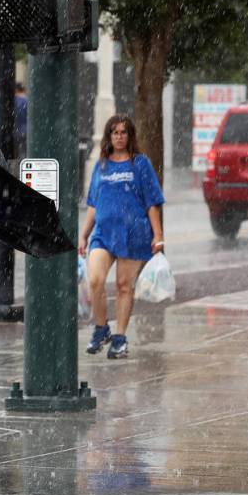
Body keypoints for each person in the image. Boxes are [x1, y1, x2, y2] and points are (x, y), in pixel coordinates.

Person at [78, 115, 165, 360]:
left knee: (124, 286)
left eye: (123, 132)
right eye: (114, 132)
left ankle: (120, 338)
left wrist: (157, 235)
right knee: (95, 280)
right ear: (109, 136)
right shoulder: (102, 165)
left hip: (134, 233)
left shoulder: (141, 164)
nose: (119, 136)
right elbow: (94, 203)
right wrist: (84, 234)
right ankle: (101, 327)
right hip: (103, 234)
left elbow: (152, 203)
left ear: (130, 136)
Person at [14, 83, 28, 159]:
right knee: (25, 152)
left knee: (18, 153)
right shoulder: (28, 100)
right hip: (27, 130)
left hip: (16, 130)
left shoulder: (14, 101)